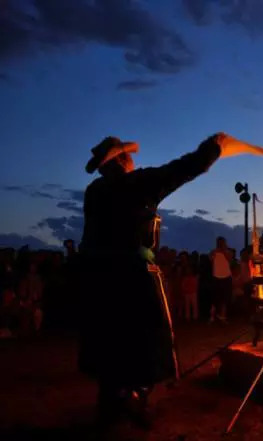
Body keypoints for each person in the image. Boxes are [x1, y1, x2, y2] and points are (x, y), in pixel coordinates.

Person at [78, 133, 224, 427]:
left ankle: (110, 398)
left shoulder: (94, 191)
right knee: (144, 337)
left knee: (108, 337)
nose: (133, 160)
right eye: (127, 156)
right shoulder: (134, 184)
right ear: (121, 159)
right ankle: (133, 398)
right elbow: (181, 170)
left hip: (98, 277)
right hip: (131, 275)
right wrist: (212, 148)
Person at [210, 236, 233, 322]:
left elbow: (230, 259)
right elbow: (210, 259)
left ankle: (223, 317)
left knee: (225, 299)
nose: (220, 244)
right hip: (216, 277)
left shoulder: (229, 252)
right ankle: (212, 317)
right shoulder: (213, 252)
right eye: (219, 243)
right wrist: (215, 252)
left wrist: (223, 251)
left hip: (226, 277)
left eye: (222, 242)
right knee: (214, 299)